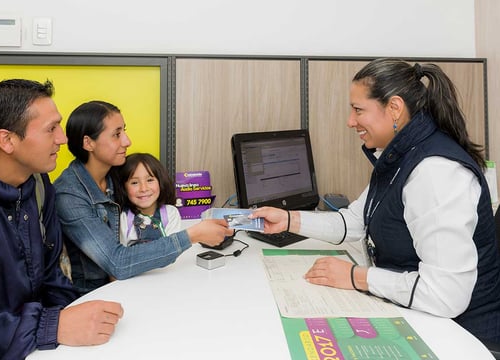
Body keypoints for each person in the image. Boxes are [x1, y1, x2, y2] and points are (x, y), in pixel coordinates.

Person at [252, 58, 500, 345]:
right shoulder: (401, 154)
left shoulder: (435, 172)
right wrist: (288, 220)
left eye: (358, 110)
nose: (350, 121)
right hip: (423, 317)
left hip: (462, 337)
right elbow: (355, 221)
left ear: (394, 108)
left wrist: (357, 277)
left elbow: (445, 295)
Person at [0, 79, 123, 360]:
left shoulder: (38, 185)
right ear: (6, 140)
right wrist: (53, 327)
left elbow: (53, 278)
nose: (62, 138)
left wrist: (68, 323)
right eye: (51, 129)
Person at [54, 101, 232, 295]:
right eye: (117, 134)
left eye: (124, 131)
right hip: (97, 295)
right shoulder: (69, 195)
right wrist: (193, 235)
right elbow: (118, 262)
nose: (127, 141)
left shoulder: (116, 175)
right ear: (89, 143)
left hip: (135, 282)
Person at [116, 152, 182, 246]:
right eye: (134, 183)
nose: (143, 188)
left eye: (150, 180)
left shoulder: (170, 213)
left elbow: (173, 250)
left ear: (161, 182)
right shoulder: (123, 218)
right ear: (123, 187)